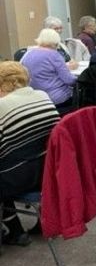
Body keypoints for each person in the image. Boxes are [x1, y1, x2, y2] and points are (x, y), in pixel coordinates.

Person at [0, 62, 60, 246]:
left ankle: (15, 231)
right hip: (50, 170)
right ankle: (23, 227)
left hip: (21, 176)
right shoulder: (42, 95)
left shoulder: (2, 106)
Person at [20, 28, 78, 114]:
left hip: (36, 99)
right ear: (55, 42)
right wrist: (79, 79)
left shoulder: (27, 54)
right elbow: (69, 80)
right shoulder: (54, 55)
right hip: (57, 99)